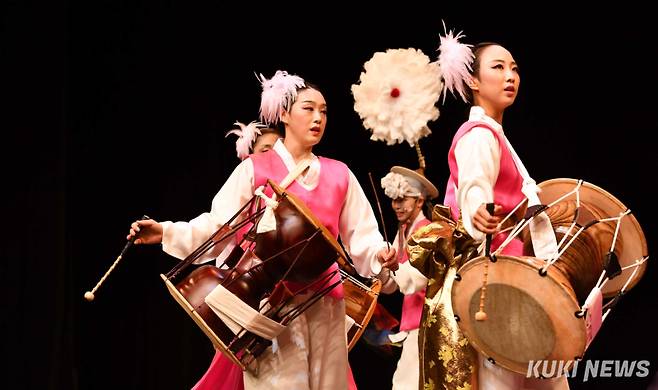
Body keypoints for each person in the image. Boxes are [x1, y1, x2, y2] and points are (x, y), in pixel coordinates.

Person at [128, 70, 397, 390]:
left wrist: (380, 254)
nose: (318, 118)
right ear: (284, 113)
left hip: (326, 302)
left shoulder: (340, 174)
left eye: (324, 111)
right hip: (271, 304)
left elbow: (361, 235)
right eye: (308, 109)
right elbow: (219, 226)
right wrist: (165, 232)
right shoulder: (255, 169)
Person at [440, 41, 566, 389]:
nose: (510, 76)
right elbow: (473, 185)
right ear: (474, 81)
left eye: (514, 68)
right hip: (495, 281)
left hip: (510, 276)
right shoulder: (479, 135)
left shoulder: (495, 134)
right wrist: (478, 211)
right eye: (498, 67)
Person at [190, 122, 283, 390]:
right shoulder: (241, 213)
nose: (273, 157)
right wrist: (165, 232)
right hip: (245, 296)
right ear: (249, 158)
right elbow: (215, 232)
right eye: (265, 150)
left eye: (278, 150)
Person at [377, 165, 438, 389]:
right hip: (413, 323)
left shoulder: (428, 231)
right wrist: (377, 266)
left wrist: (390, 267)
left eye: (403, 199)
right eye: (394, 199)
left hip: (426, 322)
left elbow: (413, 280)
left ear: (419, 201)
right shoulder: (404, 231)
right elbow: (391, 284)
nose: (396, 205)